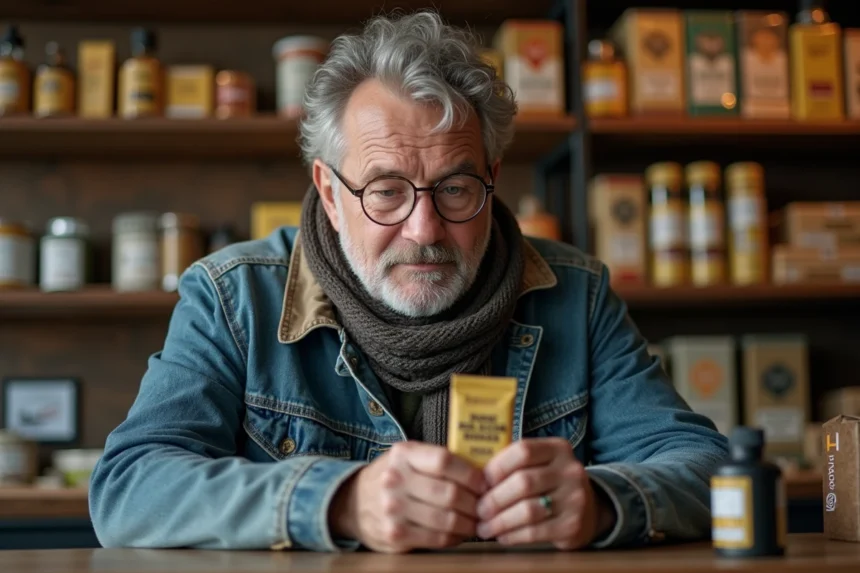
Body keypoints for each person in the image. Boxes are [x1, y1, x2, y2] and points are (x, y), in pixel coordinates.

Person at [89, 11, 728, 554]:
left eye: (455, 188)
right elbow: (128, 487)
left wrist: (602, 502)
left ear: (493, 176)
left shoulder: (575, 294)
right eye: (387, 191)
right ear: (330, 195)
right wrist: (336, 502)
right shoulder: (233, 298)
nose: (424, 229)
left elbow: (711, 470)